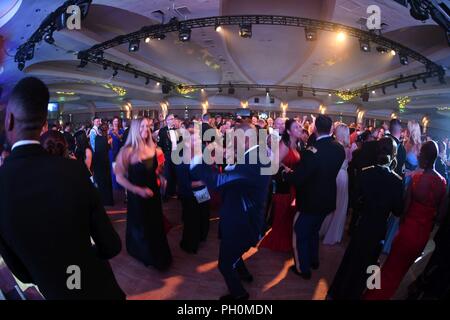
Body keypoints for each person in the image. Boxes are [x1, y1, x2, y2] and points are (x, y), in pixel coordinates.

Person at [0, 77, 124, 299]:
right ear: (44, 125)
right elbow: (111, 246)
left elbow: (22, 272)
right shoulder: (73, 170)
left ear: (9, 120)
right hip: (99, 289)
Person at [191, 122, 271, 300]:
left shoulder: (253, 161)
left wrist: (196, 163)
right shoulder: (254, 156)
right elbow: (240, 179)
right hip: (241, 215)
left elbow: (219, 182)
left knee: (225, 264)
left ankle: (239, 294)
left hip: (242, 221)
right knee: (234, 253)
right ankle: (244, 274)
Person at [364, 141, 447, 300]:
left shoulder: (416, 179)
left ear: (426, 158)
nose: (418, 156)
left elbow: (404, 209)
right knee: (401, 272)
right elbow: (440, 215)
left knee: (389, 267)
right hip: (422, 236)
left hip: (407, 231)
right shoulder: (442, 183)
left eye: (420, 154)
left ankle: (372, 295)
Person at [327, 137, 403, 299]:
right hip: (378, 229)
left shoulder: (366, 172)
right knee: (370, 264)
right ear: (394, 155)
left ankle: (337, 293)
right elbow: (398, 210)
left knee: (351, 260)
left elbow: (355, 202)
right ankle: (358, 294)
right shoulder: (396, 181)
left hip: (363, 224)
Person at [283, 114, 345, 279]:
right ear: (331, 129)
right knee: (314, 231)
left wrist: (286, 174)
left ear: (316, 128)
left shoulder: (312, 151)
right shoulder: (339, 148)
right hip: (327, 199)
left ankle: (302, 268)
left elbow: (299, 178)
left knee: (300, 232)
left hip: (311, 201)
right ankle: (313, 260)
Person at [115, 118, 172, 270]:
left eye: (148, 126)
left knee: (155, 224)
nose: (146, 129)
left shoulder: (154, 148)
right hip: (137, 195)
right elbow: (119, 177)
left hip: (153, 194)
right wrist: (137, 190)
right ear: (134, 129)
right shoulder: (127, 151)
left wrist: (160, 177)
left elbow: (153, 170)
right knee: (141, 225)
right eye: (142, 126)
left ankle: (158, 256)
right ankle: (144, 253)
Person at [260, 119, 301, 252]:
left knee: (290, 215)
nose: (300, 129)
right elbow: (274, 165)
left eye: (300, 126)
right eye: (296, 127)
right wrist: (285, 169)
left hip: (292, 183)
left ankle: (288, 240)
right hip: (284, 184)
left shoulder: (298, 144)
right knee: (283, 213)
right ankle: (279, 240)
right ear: (289, 131)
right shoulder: (284, 144)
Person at [175, 127, 210, 254]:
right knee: (192, 220)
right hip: (189, 194)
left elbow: (208, 170)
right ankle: (190, 244)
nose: (197, 142)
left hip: (203, 192)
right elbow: (184, 183)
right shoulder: (180, 157)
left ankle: (202, 237)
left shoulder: (203, 152)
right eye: (193, 140)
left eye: (198, 139)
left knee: (204, 216)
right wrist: (202, 181)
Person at [319, 124, 351, 245]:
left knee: (331, 204)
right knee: (339, 206)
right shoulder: (347, 148)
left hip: (335, 175)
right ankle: (333, 233)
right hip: (343, 176)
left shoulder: (334, 146)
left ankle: (324, 230)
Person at [158, 114, 178, 200]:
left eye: (174, 119)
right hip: (167, 154)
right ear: (167, 121)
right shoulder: (162, 131)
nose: (173, 120)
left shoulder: (177, 130)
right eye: (171, 119)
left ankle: (172, 192)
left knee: (174, 174)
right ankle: (164, 195)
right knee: (166, 174)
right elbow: (159, 145)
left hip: (176, 154)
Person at [92, 122, 114, 206]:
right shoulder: (107, 138)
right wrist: (110, 142)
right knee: (106, 180)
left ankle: (101, 200)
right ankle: (108, 200)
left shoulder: (97, 138)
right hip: (104, 161)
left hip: (98, 161)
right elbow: (110, 148)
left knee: (100, 180)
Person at [109, 116, 124, 190]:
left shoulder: (121, 130)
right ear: (112, 122)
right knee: (113, 167)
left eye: (117, 121)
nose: (116, 122)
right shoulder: (110, 131)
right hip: (112, 151)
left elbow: (122, 139)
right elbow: (108, 141)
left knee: (119, 167)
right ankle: (114, 185)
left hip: (119, 151)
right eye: (114, 121)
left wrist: (117, 134)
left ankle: (120, 184)